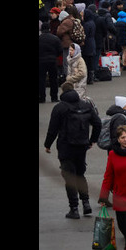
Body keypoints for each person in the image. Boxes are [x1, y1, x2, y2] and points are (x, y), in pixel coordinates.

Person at [44, 82, 102, 219]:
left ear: (62, 91)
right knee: (80, 173)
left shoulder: (59, 108)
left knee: (69, 176)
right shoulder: (86, 105)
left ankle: (74, 208)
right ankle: (86, 203)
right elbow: (97, 123)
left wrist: (47, 145)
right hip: (82, 145)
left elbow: (52, 129)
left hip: (66, 146)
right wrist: (92, 140)